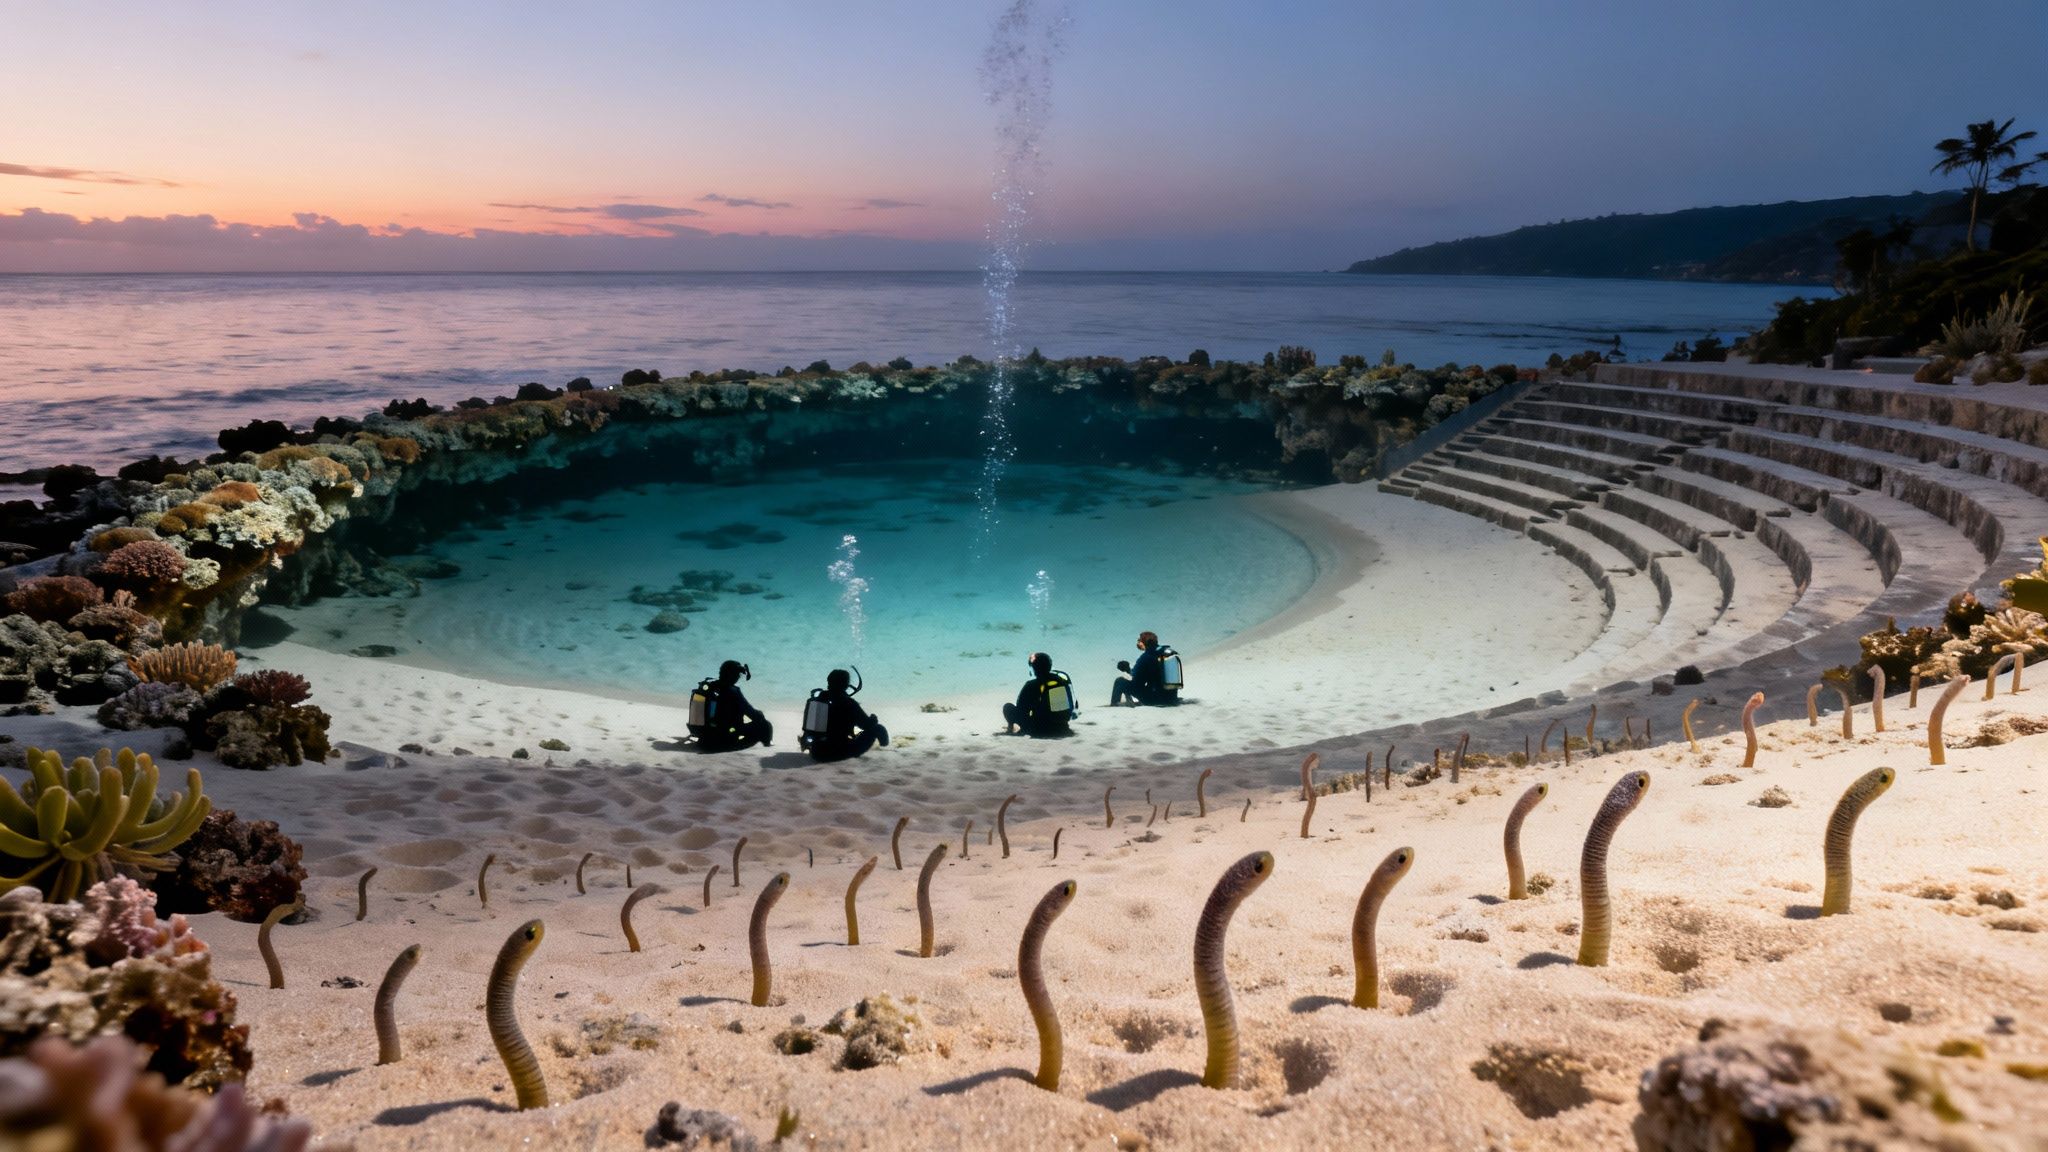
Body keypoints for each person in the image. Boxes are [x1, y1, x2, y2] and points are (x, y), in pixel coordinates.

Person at [800, 668, 889, 762]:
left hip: (817, 752)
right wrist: (873, 719)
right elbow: (867, 725)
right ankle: (886, 753)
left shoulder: (818, 701)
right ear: (846, 685)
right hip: (840, 752)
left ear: (829, 682)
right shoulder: (848, 703)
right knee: (879, 728)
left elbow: (808, 729)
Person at [686, 659, 773, 751]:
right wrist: (760, 715)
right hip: (725, 737)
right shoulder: (732, 691)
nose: (738, 677)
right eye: (737, 674)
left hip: (705, 736)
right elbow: (751, 713)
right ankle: (767, 746)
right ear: (732, 674)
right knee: (765, 725)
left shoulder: (711, 687)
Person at [1003, 652, 1075, 737]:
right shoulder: (1061, 680)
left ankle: (1010, 729)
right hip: (1062, 726)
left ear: (1034, 668)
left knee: (1008, 707)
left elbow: (1022, 709)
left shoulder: (1032, 685)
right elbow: (1070, 707)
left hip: (1040, 728)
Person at [1110, 631, 1181, 707]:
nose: (1138, 643)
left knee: (1120, 682)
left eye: (1139, 640)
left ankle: (1114, 706)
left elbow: (1137, 682)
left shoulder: (1146, 657)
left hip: (1156, 700)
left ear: (1145, 642)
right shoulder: (1166, 652)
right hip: (1171, 698)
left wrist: (1127, 669)